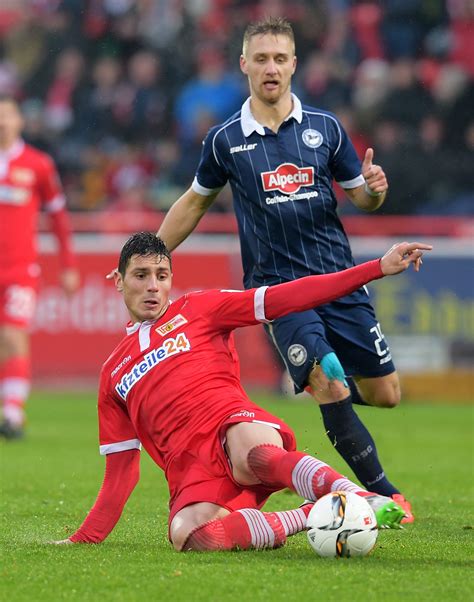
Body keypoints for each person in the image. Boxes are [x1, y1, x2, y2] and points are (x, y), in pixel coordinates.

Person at [157, 17, 415, 522]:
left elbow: (362, 196)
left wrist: (375, 188)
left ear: (294, 65)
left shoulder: (326, 128)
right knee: (328, 382)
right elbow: (193, 203)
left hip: (340, 282)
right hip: (279, 294)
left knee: (386, 395)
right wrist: (145, 256)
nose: (270, 68)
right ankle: (385, 495)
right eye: (261, 59)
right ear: (244, 65)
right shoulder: (226, 140)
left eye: (279, 58)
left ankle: (327, 393)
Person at [52, 232, 431, 550]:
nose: (153, 285)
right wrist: (82, 540)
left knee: (255, 453)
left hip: (234, 425)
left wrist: (376, 269)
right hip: (193, 472)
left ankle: (359, 497)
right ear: (118, 280)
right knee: (188, 535)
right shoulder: (112, 374)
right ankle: (310, 514)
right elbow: (122, 474)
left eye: (161, 275)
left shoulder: (200, 308)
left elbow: (289, 296)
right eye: (140, 275)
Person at [0, 95, 80, 439]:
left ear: (20, 121)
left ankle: (12, 414)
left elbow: (58, 217)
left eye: (7, 115)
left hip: (20, 270)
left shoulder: (38, 164)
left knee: (13, 335)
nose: (2, 121)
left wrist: (68, 265)